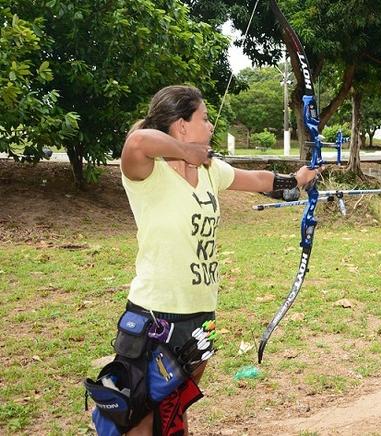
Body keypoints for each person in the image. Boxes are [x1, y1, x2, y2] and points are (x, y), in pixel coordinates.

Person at [115, 85, 319, 435]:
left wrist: (298, 179)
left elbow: (255, 179)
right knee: (139, 417)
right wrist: (187, 153)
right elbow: (137, 142)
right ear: (181, 126)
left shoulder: (210, 170)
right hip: (155, 313)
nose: (210, 127)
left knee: (176, 410)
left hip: (200, 313)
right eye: (204, 119)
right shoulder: (148, 172)